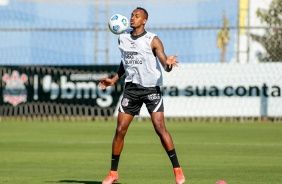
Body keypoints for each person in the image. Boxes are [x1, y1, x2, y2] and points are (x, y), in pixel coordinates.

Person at [99, 7, 185, 184]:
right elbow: (125, 61)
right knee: (120, 130)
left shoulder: (152, 40)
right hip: (131, 88)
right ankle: (113, 173)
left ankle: (177, 169)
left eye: (137, 16)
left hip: (151, 88)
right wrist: (114, 79)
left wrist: (168, 64)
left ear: (144, 20)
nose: (133, 18)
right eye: (132, 15)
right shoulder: (122, 38)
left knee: (159, 127)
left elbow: (164, 63)